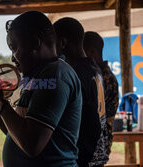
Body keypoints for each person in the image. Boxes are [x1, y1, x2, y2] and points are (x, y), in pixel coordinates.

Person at [0, 11, 82, 167]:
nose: (12, 57)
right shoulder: (38, 76)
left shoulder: (55, 74)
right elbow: (14, 133)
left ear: (34, 43)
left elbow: (32, 145)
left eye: (14, 47)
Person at [54, 18, 108, 167]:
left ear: (62, 43)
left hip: (84, 156)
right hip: (96, 152)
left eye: (53, 42)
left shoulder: (75, 73)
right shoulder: (93, 68)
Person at [83, 31, 119, 160]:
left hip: (97, 146)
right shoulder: (101, 76)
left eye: (82, 51)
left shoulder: (103, 79)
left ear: (92, 52)